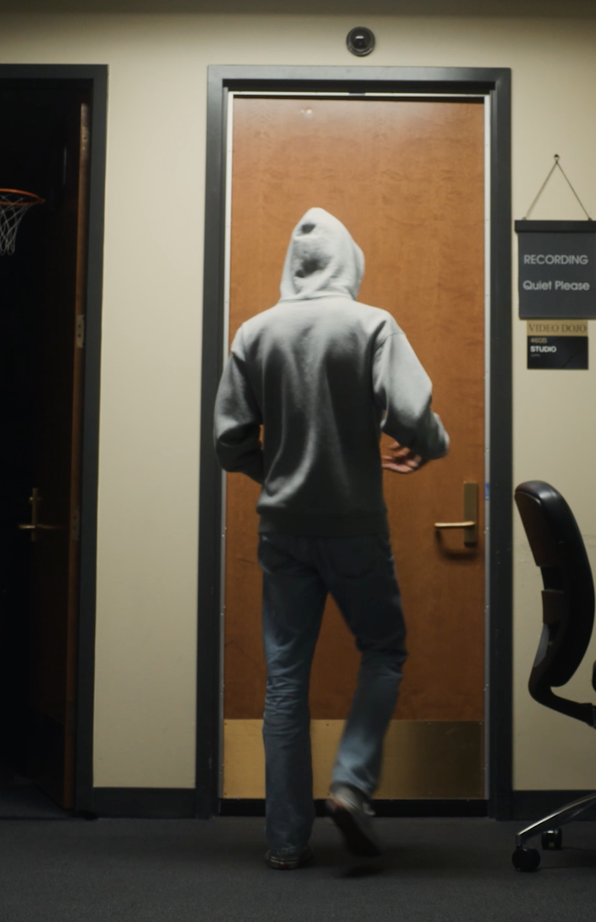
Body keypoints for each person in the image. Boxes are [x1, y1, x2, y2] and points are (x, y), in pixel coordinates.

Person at [214, 207, 450, 870]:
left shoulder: (255, 332)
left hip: (283, 531)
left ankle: (286, 843)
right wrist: (429, 446)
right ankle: (349, 785)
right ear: (350, 260)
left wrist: (280, 470)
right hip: (352, 527)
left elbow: (228, 443)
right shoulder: (371, 324)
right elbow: (412, 417)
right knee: (384, 651)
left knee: (285, 678)